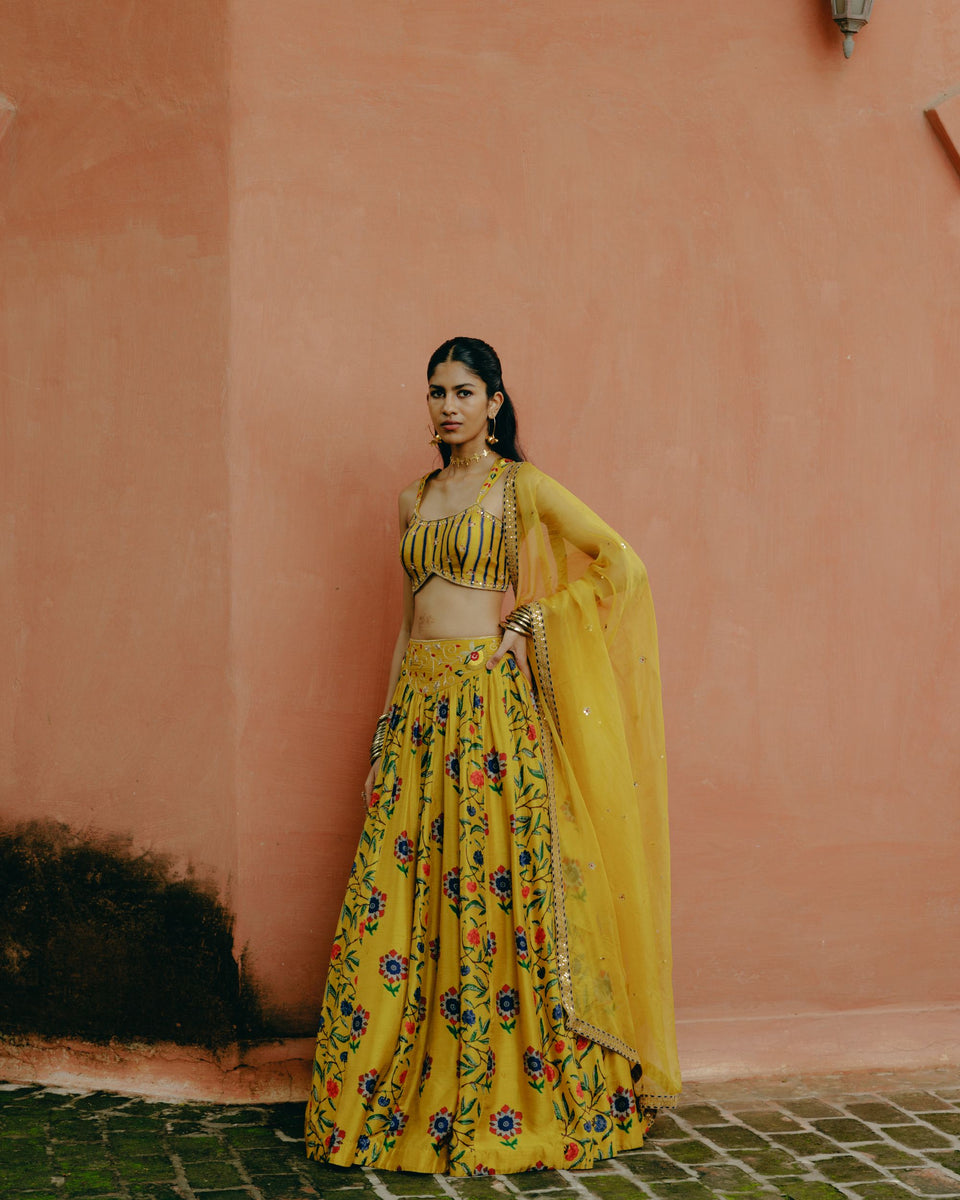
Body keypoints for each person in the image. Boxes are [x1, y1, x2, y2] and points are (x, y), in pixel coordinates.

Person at [305, 337, 680, 1177]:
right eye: (436, 391)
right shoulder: (413, 499)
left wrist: (529, 623)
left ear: (496, 401)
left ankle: (509, 1088)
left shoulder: (521, 488)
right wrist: (382, 734)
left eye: (464, 391)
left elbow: (620, 565)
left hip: (487, 711)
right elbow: (407, 624)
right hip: (419, 719)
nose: (447, 406)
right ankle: (407, 1086)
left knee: (493, 887)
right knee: (408, 893)